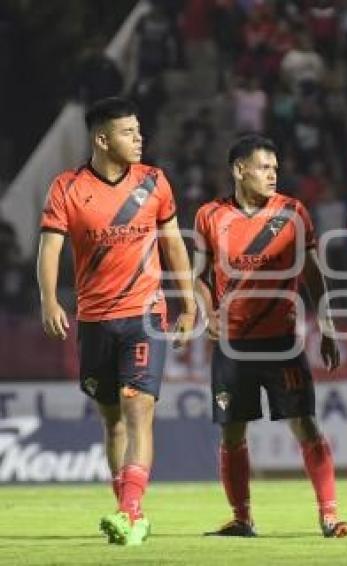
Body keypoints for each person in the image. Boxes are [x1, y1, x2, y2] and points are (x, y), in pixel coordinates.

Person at [37, 97, 195, 545]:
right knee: (113, 422)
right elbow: (49, 249)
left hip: (145, 314)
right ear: (102, 139)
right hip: (94, 320)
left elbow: (174, 245)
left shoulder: (155, 182)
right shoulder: (67, 188)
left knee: (139, 407)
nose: (139, 138)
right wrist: (49, 300)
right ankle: (127, 509)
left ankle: (130, 511)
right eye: (128, 133)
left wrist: (186, 303)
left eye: (139, 130)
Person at [193, 134, 347, 539]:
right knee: (232, 431)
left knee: (306, 426)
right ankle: (242, 518)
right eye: (264, 168)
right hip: (232, 344)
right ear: (239, 170)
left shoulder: (293, 212)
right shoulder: (210, 215)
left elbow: (314, 275)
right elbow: (198, 277)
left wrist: (328, 327)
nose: (272, 175)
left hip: (281, 342)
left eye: (275, 169)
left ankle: (329, 516)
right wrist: (205, 308)